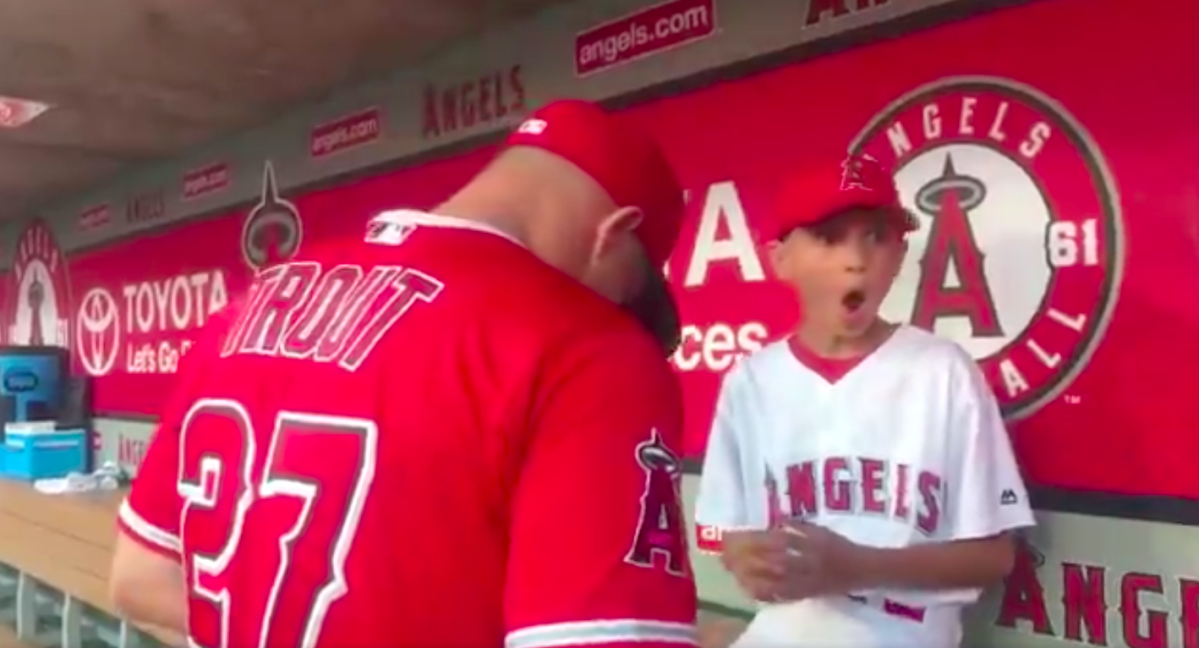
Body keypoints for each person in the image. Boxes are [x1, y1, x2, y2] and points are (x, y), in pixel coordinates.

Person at [108, 99, 699, 648]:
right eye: (632, 289)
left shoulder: (257, 301)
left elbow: (138, 576)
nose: (623, 309)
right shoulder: (591, 348)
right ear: (613, 234)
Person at [693, 154, 1034, 647]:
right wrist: (746, 557)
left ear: (900, 253)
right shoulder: (751, 380)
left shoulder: (944, 371)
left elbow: (994, 556)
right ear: (780, 260)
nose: (856, 259)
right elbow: (732, 535)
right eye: (830, 238)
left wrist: (859, 567)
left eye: (876, 236)